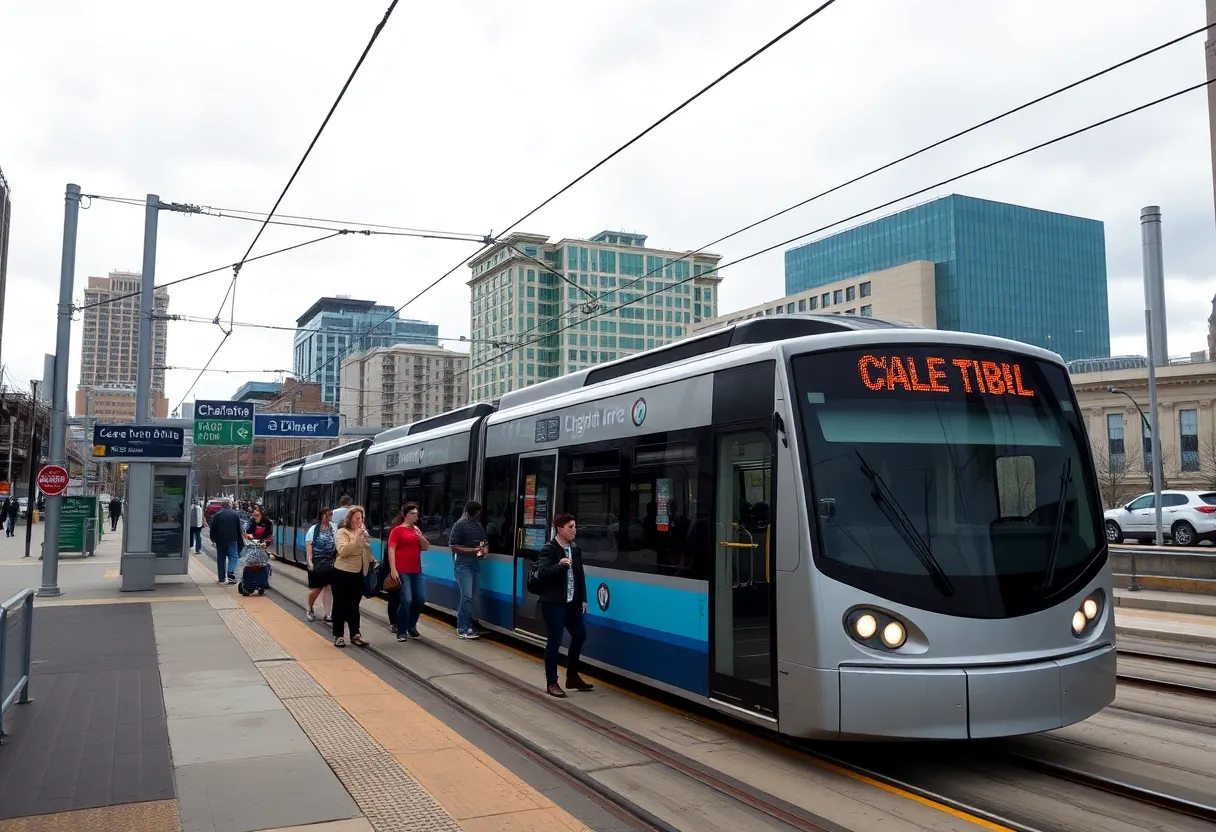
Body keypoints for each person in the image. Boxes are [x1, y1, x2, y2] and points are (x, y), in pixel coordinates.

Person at [534, 513, 594, 698]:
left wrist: (583, 598)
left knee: (580, 634)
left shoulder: (574, 548)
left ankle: (572, 676)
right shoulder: (549, 549)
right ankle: (552, 682)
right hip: (553, 602)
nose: (574, 530)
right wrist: (560, 565)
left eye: (574, 526)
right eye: (570, 526)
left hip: (571, 602)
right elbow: (542, 572)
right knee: (555, 640)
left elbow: (579, 575)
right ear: (560, 529)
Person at [387, 503, 429, 642]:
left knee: (420, 599)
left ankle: (411, 625)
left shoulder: (416, 529)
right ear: (406, 515)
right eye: (413, 513)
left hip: (416, 571)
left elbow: (425, 547)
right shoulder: (397, 531)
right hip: (402, 570)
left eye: (417, 513)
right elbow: (391, 549)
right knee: (406, 600)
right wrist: (393, 569)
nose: (416, 515)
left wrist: (421, 538)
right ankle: (401, 629)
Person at [333, 505, 373, 648]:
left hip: (358, 573)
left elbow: (365, 552)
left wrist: (373, 560)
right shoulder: (342, 532)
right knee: (340, 605)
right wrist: (356, 537)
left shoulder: (360, 533)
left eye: (361, 518)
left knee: (354, 605)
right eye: (357, 518)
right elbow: (343, 551)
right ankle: (339, 636)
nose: (359, 521)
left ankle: (355, 634)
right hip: (342, 573)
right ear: (350, 519)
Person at [448, 500, 488, 639]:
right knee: (467, 596)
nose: (478, 514)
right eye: (477, 512)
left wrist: (483, 551)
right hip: (462, 565)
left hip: (475, 564)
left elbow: (484, 542)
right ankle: (462, 627)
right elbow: (453, 546)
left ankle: (470, 624)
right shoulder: (459, 525)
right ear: (473, 511)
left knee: (473, 597)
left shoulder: (478, 525)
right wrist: (473, 550)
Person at [305, 507, 337, 623]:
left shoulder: (334, 528)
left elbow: (337, 542)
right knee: (316, 588)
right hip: (317, 561)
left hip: (330, 561)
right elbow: (309, 545)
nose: (328, 517)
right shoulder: (313, 529)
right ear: (321, 516)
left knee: (329, 587)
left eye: (330, 515)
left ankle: (328, 614)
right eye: (326, 515)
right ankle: (309, 608)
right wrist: (310, 561)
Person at [210, 499, 243, 585]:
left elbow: (213, 528)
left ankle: (221, 578)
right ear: (229, 505)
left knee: (221, 558)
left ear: (222, 506)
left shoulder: (217, 515)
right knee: (233, 557)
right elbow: (239, 529)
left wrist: (213, 539)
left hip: (220, 541)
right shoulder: (235, 515)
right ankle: (231, 573)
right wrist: (240, 540)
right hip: (232, 540)